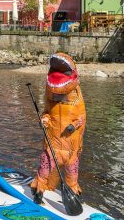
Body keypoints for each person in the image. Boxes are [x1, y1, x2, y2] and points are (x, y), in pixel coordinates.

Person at [30, 52, 86, 205]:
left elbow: (81, 118)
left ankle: (73, 192)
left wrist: (73, 126)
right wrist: (44, 120)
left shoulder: (77, 97)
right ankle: (39, 191)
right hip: (52, 144)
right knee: (45, 168)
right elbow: (46, 112)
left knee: (71, 171)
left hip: (70, 148)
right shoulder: (50, 94)